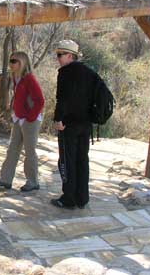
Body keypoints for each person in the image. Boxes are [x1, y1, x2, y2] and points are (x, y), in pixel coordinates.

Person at [51, 39, 98, 209]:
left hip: (68, 125)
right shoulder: (90, 72)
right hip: (85, 124)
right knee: (82, 160)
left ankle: (68, 198)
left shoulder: (65, 73)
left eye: (60, 55)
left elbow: (61, 99)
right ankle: (82, 197)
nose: (58, 58)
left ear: (70, 55)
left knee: (67, 161)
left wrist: (58, 119)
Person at [0, 51, 45, 192]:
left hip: (29, 121)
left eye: (14, 61)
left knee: (29, 151)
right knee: (12, 149)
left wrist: (29, 118)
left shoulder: (29, 79)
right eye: (10, 60)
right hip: (19, 119)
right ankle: (5, 179)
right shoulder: (16, 77)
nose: (11, 63)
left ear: (22, 63)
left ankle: (33, 182)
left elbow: (40, 101)